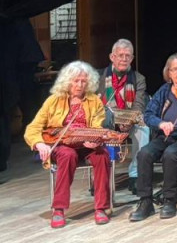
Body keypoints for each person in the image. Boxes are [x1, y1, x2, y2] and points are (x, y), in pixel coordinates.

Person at [24, 61, 114, 229]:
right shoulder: (54, 100)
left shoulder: (94, 101)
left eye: (83, 81)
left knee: (102, 155)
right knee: (67, 155)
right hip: (62, 145)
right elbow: (33, 128)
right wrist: (39, 144)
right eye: (76, 81)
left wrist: (94, 140)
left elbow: (96, 127)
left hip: (86, 144)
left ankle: (101, 208)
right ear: (67, 81)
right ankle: (59, 209)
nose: (79, 85)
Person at [128, 54, 177, 222]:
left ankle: (170, 199)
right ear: (169, 73)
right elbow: (148, 114)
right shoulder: (164, 90)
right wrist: (161, 123)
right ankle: (145, 201)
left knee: (171, 153)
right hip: (168, 135)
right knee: (144, 153)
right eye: (175, 69)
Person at [97, 40, 147, 193]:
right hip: (105, 120)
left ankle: (136, 175)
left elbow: (139, 106)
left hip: (129, 120)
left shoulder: (139, 78)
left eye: (127, 56)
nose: (124, 59)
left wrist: (129, 120)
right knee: (94, 127)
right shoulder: (99, 77)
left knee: (143, 129)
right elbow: (93, 105)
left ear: (132, 58)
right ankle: (100, 178)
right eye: (120, 55)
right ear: (112, 57)